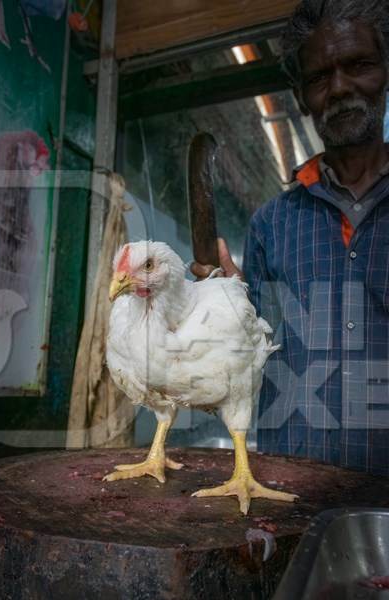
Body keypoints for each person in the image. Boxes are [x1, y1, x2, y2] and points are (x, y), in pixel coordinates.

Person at [192, 0, 389, 475]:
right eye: (319, 77)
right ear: (302, 97)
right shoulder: (271, 224)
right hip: (288, 493)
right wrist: (226, 308)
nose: (339, 87)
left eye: (357, 65)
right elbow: (253, 357)